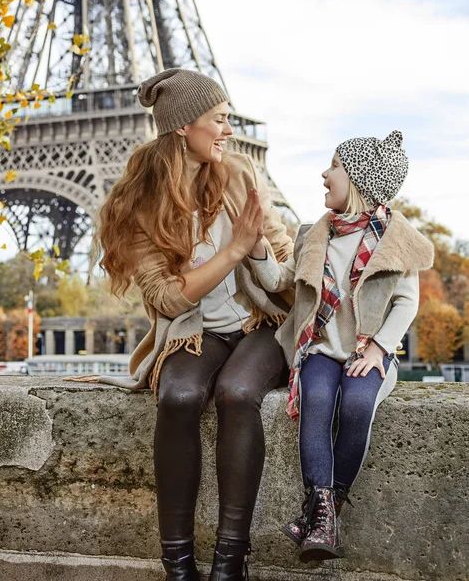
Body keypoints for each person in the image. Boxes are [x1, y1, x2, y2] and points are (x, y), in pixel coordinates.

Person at [79, 68, 295, 581]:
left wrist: (258, 251)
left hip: (260, 321)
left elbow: (287, 276)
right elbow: (169, 301)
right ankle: (177, 563)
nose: (228, 130)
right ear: (183, 126)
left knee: (239, 393)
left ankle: (230, 559)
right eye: (219, 119)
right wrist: (234, 250)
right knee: (176, 398)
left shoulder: (243, 175)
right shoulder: (141, 202)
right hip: (194, 328)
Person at [249, 130, 434, 562]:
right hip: (321, 349)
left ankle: (321, 513)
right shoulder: (313, 234)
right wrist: (255, 248)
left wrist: (378, 349)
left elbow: (408, 303)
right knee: (316, 400)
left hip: (369, 352)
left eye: (332, 166)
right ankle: (325, 516)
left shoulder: (395, 237)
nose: (323, 174)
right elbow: (281, 282)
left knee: (354, 407)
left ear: (356, 178)